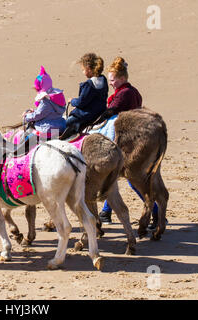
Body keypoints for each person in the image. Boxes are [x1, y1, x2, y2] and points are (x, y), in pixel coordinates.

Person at [97, 57, 160, 230]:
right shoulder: (131, 91)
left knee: (132, 179)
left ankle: (155, 211)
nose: (110, 83)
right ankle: (105, 212)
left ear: (122, 78)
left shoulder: (124, 94)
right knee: (114, 177)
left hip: (126, 143)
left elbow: (110, 112)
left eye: (113, 80)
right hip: (130, 140)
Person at [61, 53, 108, 138]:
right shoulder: (103, 79)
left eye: (83, 69)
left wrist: (72, 101)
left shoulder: (89, 85)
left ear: (88, 69)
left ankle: (46, 143)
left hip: (85, 115)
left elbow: (81, 102)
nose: (82, 72)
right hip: (99, 112)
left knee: (60, 126)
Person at [22, 66, 66, 139]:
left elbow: (39, 115)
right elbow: (49, 112)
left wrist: (26, 117)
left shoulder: (46, 100)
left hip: (47, 130)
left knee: (27, 137)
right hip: (60, 127)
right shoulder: (57, 96)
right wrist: (35, 111)